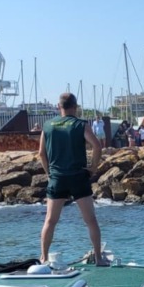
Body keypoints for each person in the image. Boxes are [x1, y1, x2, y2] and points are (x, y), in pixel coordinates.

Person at [38, 92, 108, 266]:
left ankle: (44, 257)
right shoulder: (80, 125)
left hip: (57, 178)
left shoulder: (47, 126)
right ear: (75, 107)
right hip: (78, 177)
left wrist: (49, 173)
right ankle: (99, 258)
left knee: (50, 221)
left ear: (59, 107)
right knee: (90, 220)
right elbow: (97, 146)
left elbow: (41, 153)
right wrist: (93, 168)